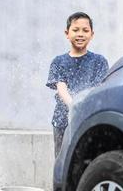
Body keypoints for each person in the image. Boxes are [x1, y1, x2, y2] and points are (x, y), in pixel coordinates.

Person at [46, 12, 109, 157]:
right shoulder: (58, 61)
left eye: (85, 30)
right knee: (62, 160)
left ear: (92, 34)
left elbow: (98, 89)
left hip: (89, 119)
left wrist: (83, 109)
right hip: (62, 120)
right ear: (67, 33)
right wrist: (73, 105)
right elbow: (61, 87)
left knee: (88, 159)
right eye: (75, 30)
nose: (80, 34)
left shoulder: (99, 61)